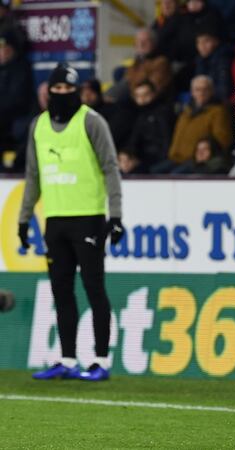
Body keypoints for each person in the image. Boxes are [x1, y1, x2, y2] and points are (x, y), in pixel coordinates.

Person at [18, 63, 125, 382]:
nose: (62, 94)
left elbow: (110, 168)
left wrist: (116, 216)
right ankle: (66, 358)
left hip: (88, 219)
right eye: (57, 89)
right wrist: (24, 219)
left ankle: (101, 360)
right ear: (49, 91)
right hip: (55, 221)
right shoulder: (38, 126)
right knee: (61, 290)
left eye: (67, 89)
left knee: (94, 288)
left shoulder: (91, 121)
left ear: (76, 91)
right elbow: (33, 176)